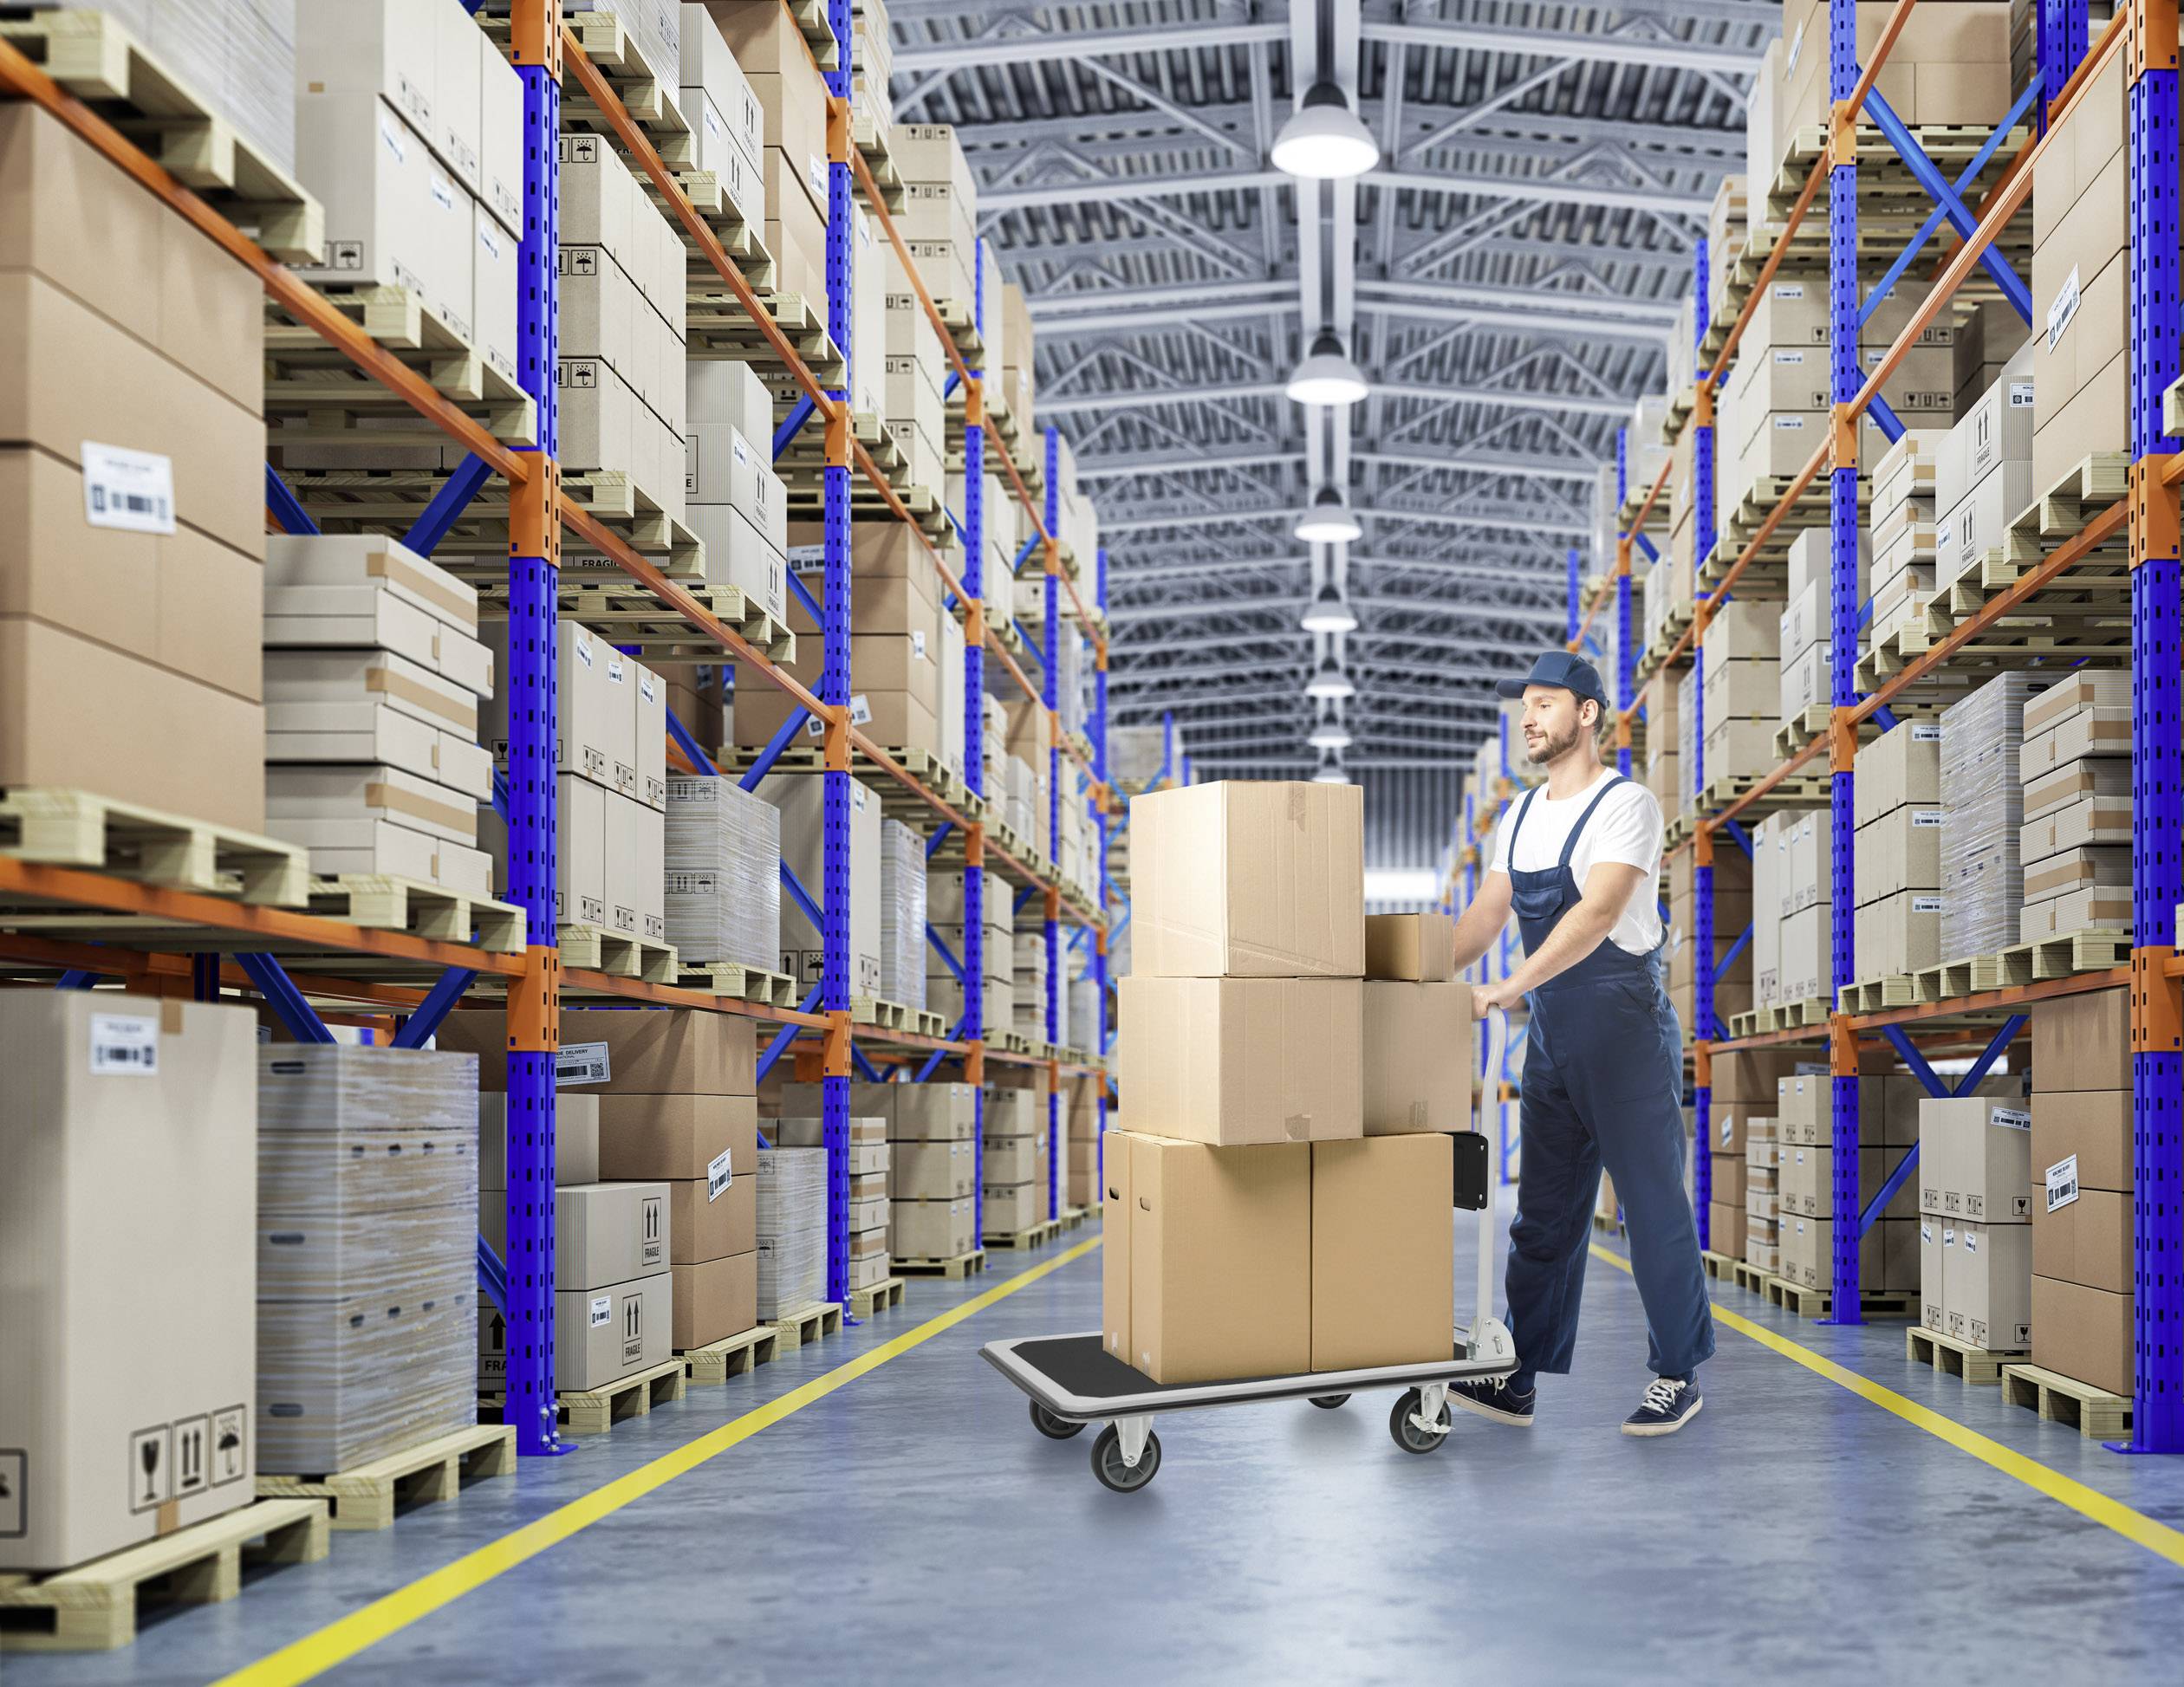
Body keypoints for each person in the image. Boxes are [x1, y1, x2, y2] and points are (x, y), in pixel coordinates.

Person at [1446, 651, 1713, 1437]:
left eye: (1545, 703)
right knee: (1544, 1216)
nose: (1528, 717)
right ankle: (1517, 1376)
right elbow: (1485, 919)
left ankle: (1677, 1373)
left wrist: (1505, 988)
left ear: (1587, 713)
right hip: (1555, 1038)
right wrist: (1406, 973)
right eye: (1523, 706)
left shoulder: (1624, 804)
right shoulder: (1519, 816)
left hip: (1623, 1026)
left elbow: (1595, 914)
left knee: (1652, 1205)